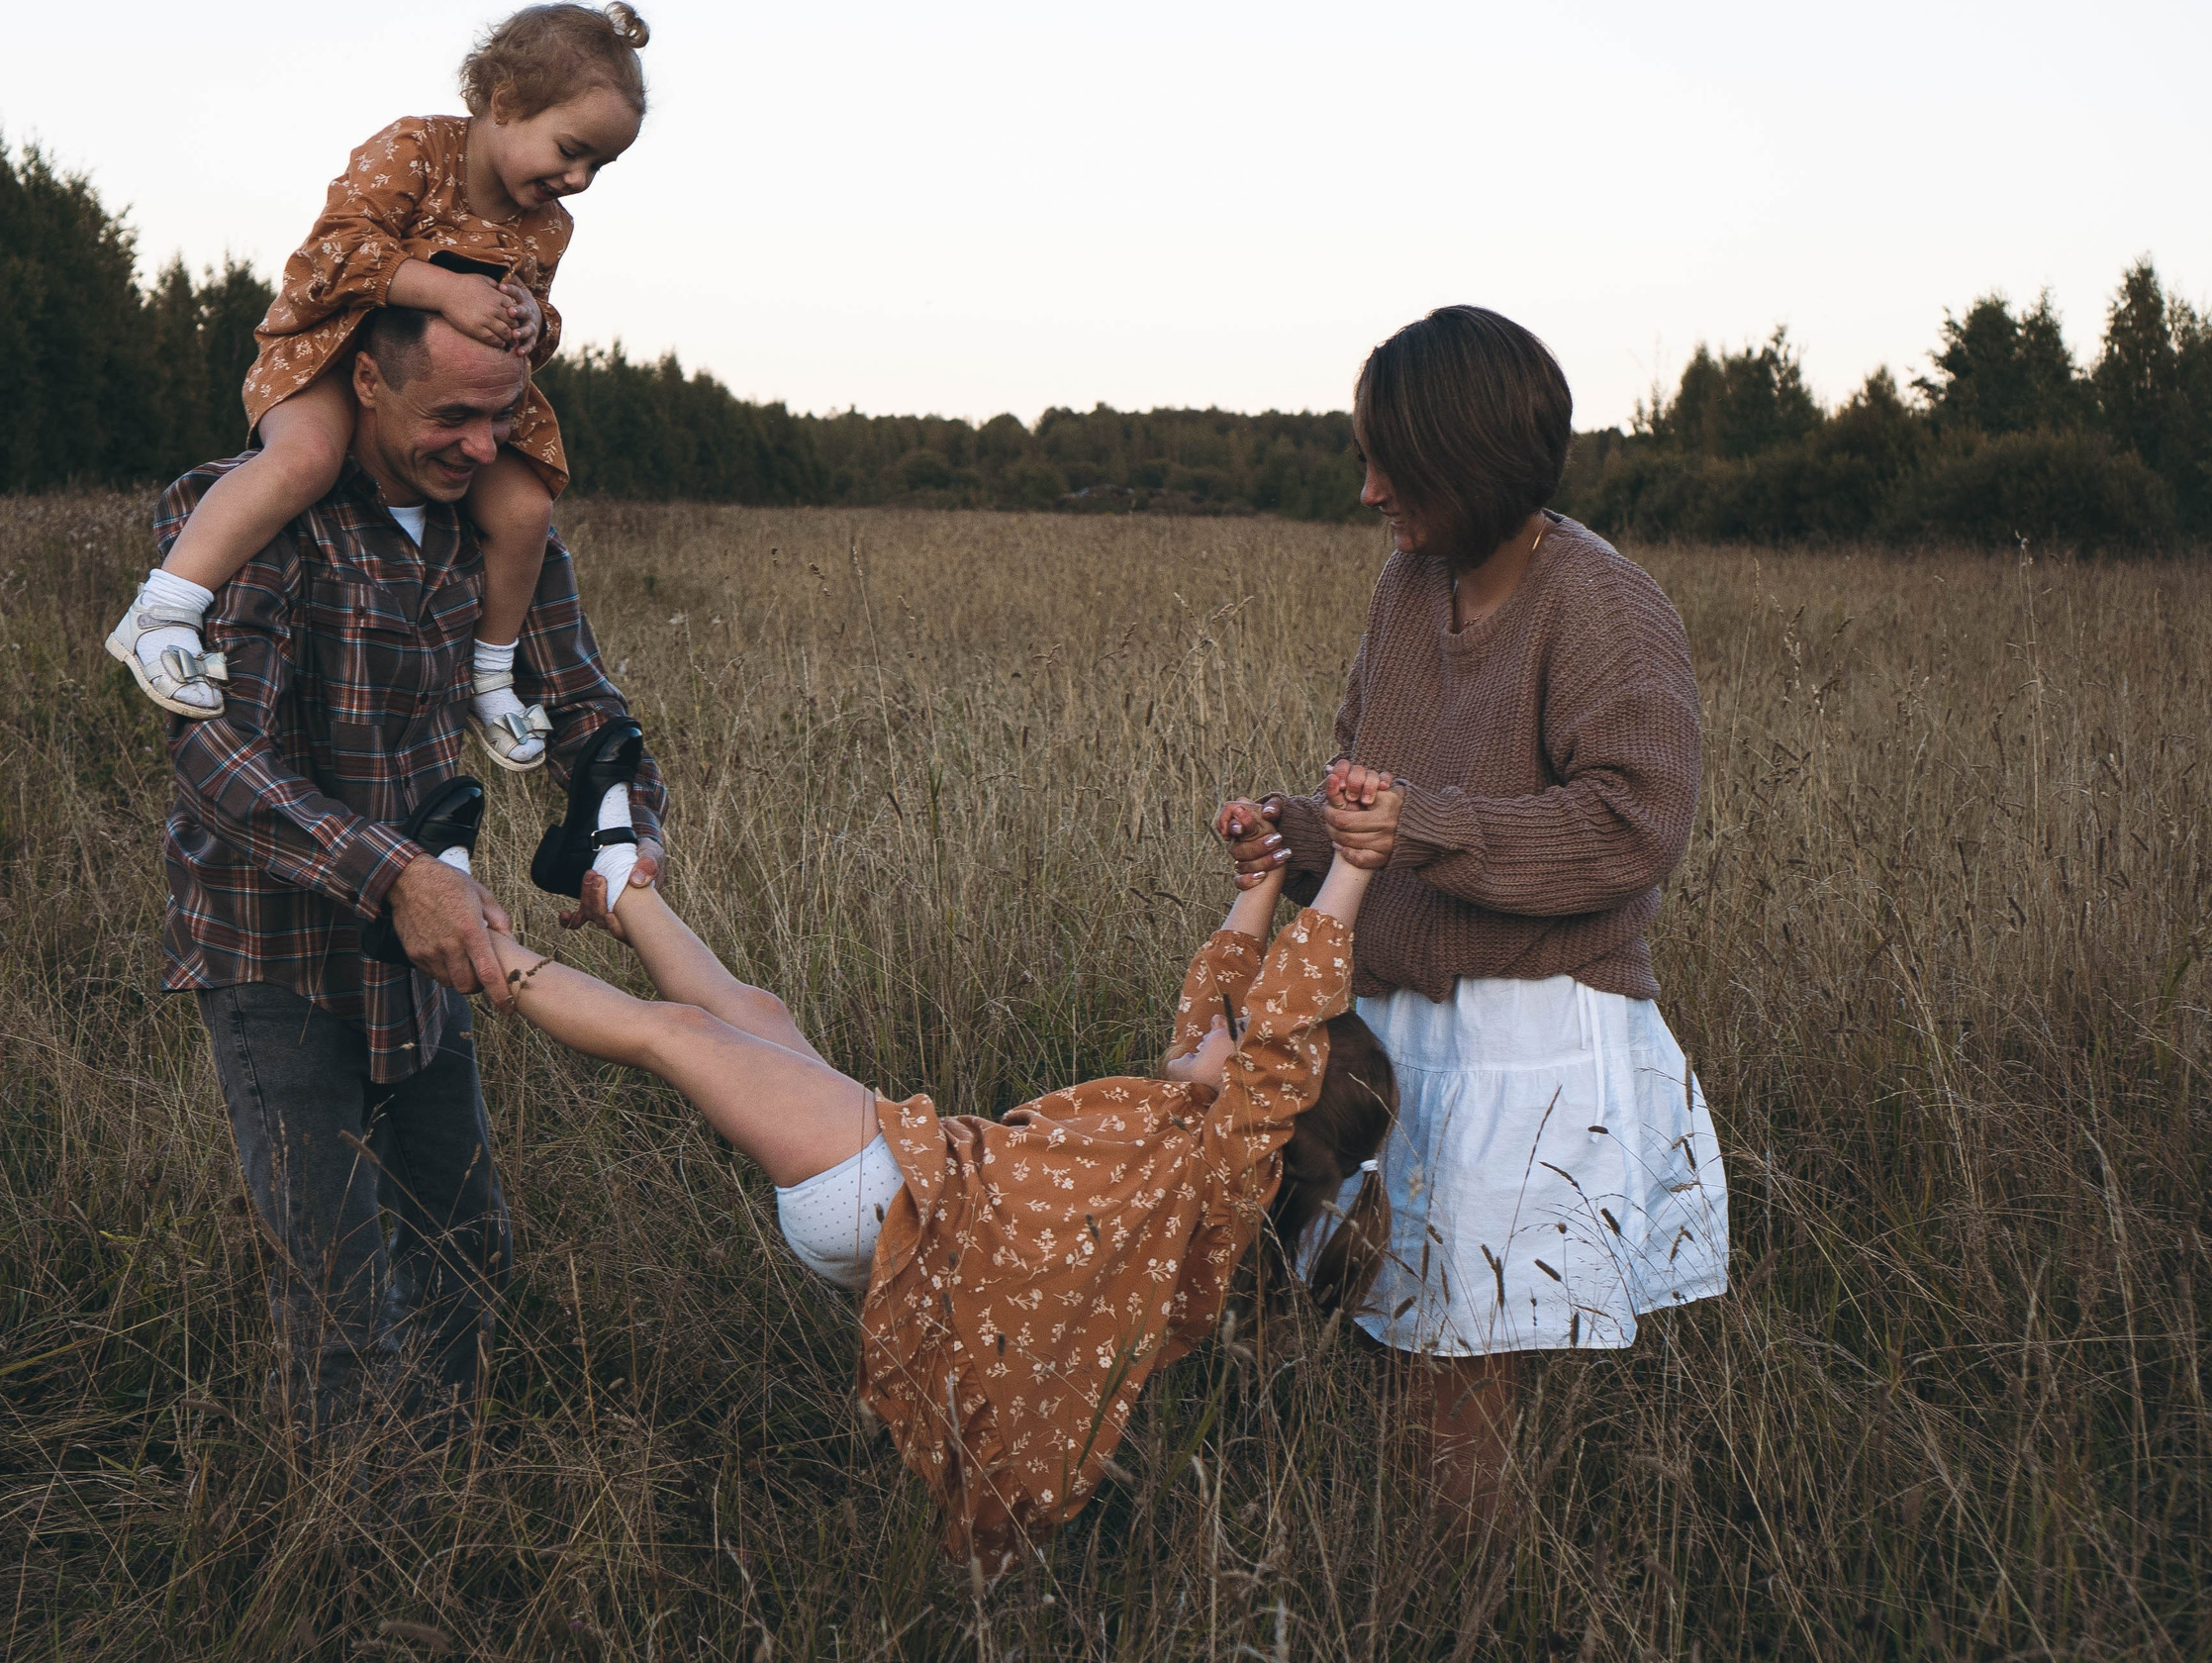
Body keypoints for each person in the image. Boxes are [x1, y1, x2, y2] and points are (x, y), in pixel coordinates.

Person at [482, 748, 1394, 1572]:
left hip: (897, 1195)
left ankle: (476, 947)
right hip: (913, 1185)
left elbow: (1277, 1018)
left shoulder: (1229, 1166)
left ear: (1277, 1098)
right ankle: (607, 867)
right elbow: (1228, 991)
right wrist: (1261, 872)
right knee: (750, 1012)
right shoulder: (1201, 1124)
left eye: (1240, 1035)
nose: (1216, 1021)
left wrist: (1352, 866)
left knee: (675, 1034)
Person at [1217, 305, 1728, 1530]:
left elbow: (1631, 827)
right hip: (1399, 1037)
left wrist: (1430, 825)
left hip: (1528, 1043)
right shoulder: (1409, 588)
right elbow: (1381, 793)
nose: (1367, 489)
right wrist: (1289, 833)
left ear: (1468, 457)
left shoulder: (1603, 606)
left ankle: (1464, 1623)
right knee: (1391, 1346)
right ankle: (1415, 1600)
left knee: (1461, 1378)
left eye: (1390, 460)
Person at [157, 303, 664, 1446]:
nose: (484, 450)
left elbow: (584, 705)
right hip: (275, 952)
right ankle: (351, 1567)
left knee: (466, 1247)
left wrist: (622, 823)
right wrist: (393, 876)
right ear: (366, 386)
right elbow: (211, 748)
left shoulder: (499, 535)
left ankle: (447, 1501)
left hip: (427, 953)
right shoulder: (255, 515)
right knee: (338, 1298)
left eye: (503, 418)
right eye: (454, 416)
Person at [110, 1, 649, 779]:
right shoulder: (414, 149)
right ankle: (162, 608)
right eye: (571, 151)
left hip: (436, 390)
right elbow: (333, 254)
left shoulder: (549, 227)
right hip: (330, 348)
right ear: (504, 104)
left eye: (599, 166)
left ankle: (490, 674)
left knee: (527, 507)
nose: (578, 179)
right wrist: (442, 292)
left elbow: (526, 326)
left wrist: (535, 316)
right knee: (304, 464)